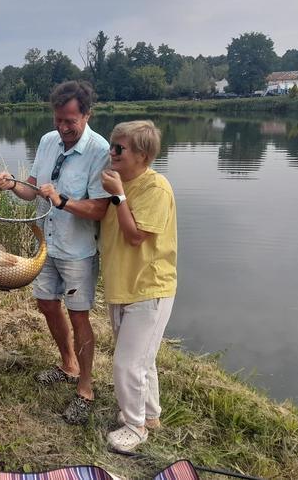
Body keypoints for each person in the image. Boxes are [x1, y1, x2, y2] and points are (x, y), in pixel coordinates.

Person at [0, 81, 110, 425]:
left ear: (87, 114)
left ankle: (85, 389)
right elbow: (31, 191)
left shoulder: (99, 150)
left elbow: (100, 209)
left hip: (78, 250)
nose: (63, 127)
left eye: (70, 121)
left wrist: (62, 200)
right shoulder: (47, 141)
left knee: (79, 316)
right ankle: (68, 365)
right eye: (58, 119)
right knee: (46, 304)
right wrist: (12, 183)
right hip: (46, 243)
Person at [98, 120, 177, 452]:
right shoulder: (120, 182)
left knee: (127, 364)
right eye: (111, 146)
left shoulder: (155, 188)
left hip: (149, 288)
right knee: (142, 359)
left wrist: (118, 197)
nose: (112, 153)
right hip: (121, 285)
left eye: (120, 148)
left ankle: (135, 426)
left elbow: (134, 237)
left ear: (142, 155)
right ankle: (150, 414)